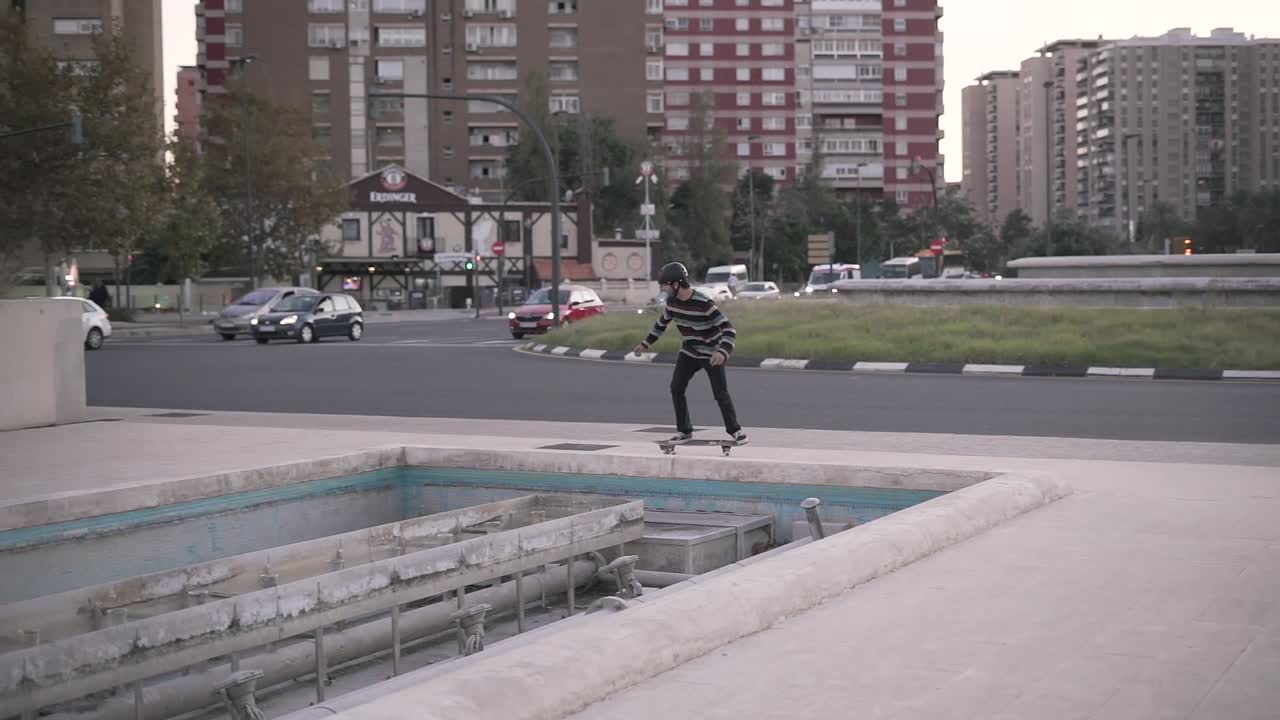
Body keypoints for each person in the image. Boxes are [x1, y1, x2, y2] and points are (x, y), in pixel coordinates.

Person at [633, 261, 748, 446]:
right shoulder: (671, 303)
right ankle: (685, 431)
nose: (662, 289)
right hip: (689, 351)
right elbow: (661, 324)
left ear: (676, 284)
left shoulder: (704, 303)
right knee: (676, 388)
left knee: (720, 393)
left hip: (711, 353)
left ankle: (736, 431)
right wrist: (645, 343)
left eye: (664, 285)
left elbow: (728, 329)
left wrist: (723, 351)